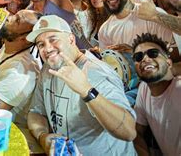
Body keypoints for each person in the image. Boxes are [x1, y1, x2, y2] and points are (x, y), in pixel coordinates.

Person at [27, 15, 137, 155]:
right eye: (41, 45)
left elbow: (128, 132)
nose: (47, 49)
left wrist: (86, 90)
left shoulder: (97, 73)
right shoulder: (48, 70)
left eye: (53, 39)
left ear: (71, 39)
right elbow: (36, 112)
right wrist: (42, 136)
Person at [95, 0, 173, 50]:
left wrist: (134, 54)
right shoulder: (104, 30)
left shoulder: (153, 15)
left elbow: (175, 52)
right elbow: (108, 61)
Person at [131, 33, 181, 156]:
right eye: (138, 57)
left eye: (153, 53)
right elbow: (136, 132)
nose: (145, 59)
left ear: (169, 63)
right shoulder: (144, 89)